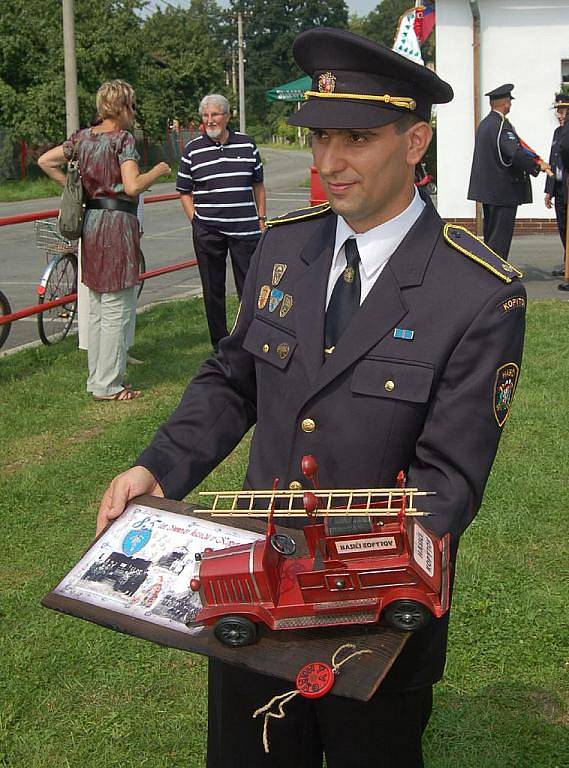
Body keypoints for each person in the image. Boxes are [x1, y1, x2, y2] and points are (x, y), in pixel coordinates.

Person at [98, 29, 526, 768]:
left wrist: (341, 575)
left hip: (372, 614)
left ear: (414, 141)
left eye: (355, 138)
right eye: (320, 137)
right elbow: (234, 377)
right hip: (255, 592)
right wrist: (159, 469)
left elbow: (446, 482)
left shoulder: (478, 293)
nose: (328, 164)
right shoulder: (282, 247)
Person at [38, 80, 170, 401]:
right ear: (123, 107)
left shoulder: (82, 138)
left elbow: (44, 160)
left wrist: (74, 189)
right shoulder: (122, 140)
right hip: (117, 224)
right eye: (132, 106)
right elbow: (132, 186)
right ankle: (110, 385)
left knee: (96, 304)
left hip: (91, 223)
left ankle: (96, 379)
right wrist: (159, 171)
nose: (134, 113)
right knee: (116, 307)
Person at [176, 94, 266, 352]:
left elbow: (258, 184)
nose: (210, 120)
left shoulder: (247, 145)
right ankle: (219, 342)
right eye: (205, 116)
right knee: (212, 288)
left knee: (249, 287)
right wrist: (196, 221)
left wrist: (261, 218)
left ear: (227, 116)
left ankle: (248, 338)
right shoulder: (193, 150)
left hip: (246, 228)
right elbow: (184, 190)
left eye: (215, 115)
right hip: (208, 231)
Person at [468, 83, 549, 259]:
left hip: (490, 191)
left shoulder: (485, 124)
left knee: (492, 237)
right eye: (509, 101)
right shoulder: (501, 126)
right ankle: (497, 277)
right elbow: (515, 153)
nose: (510, 105)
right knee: (500, 239)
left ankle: (489, 273)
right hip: (503, 191)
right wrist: (537, 166)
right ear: (505, 103)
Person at [546, 93, 569, 278]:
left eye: (563, 111)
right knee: (562, 228)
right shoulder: (557, 132)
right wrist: (549, 191)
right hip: (559, 187)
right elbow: (552, 161)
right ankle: (566, 262)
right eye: (558, 111)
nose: (560, 115)